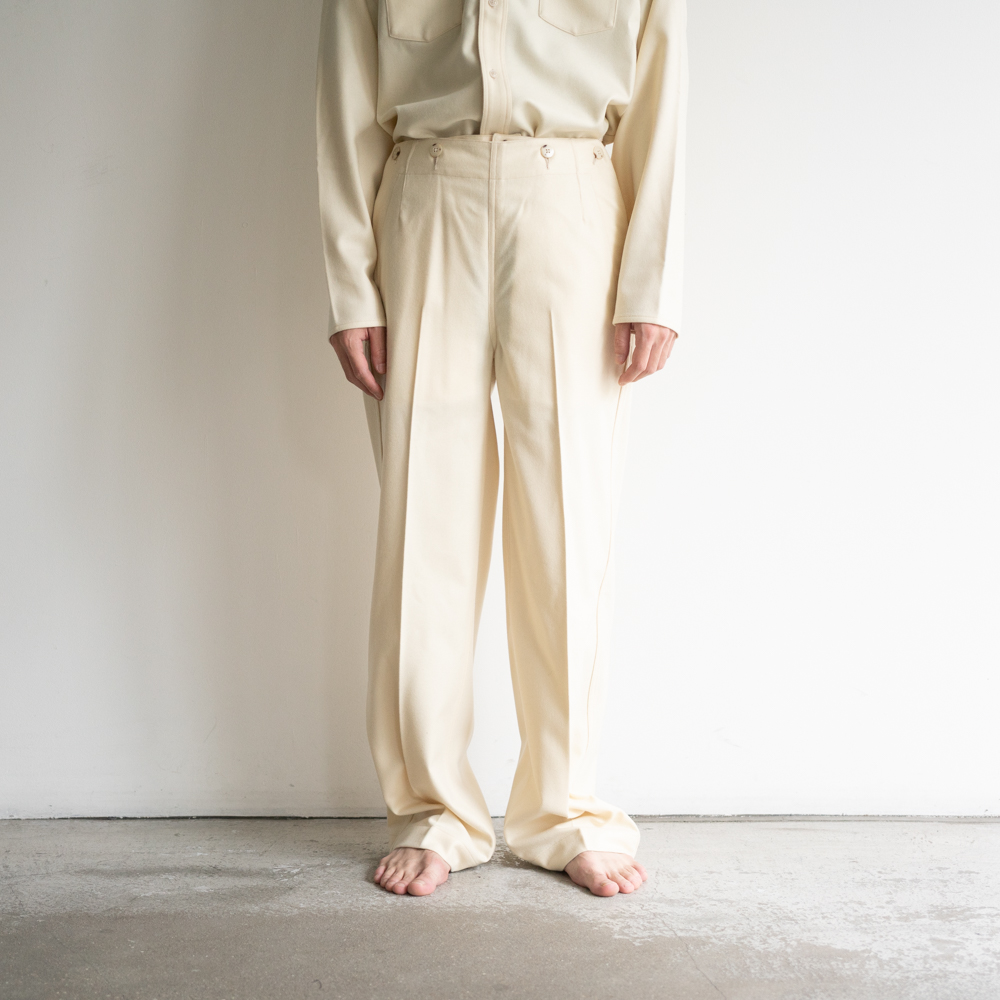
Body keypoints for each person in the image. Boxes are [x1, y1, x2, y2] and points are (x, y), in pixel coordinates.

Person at [317, 0, 687, 897]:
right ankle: (432, 810)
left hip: (573, 200)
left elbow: (661, 100)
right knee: (424, 530)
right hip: (424, 195)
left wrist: (652, 282)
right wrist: (351, 290)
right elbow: (344, 107)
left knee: (567, 527)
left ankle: (565, 809)